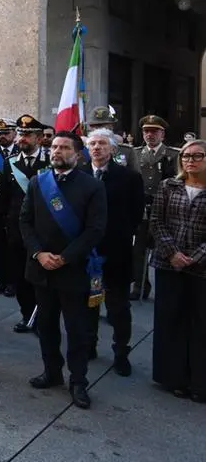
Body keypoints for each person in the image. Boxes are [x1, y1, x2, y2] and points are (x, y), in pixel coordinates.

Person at [20, 131, 106, 409]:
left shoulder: (91, 186)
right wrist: (38, 253)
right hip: (42, 268)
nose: (57, 151)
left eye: (64, 147)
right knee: (46, 325)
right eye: (54, 147)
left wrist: (66, 257)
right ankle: (52, 371)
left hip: (74, 270)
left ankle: (78, 380)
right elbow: (25, 221)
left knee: (77, 329)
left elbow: (95, 229)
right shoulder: (38, 182)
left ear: (77, 154)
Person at [149, 139, 206, 402]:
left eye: (197, 156)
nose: (190, 161)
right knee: (171, 321)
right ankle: (174, 378)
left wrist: (194, 257)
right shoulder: (168, 186)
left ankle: (199, 381)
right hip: (168, 264)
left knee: (199, 324)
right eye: (186, 156)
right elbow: (157, 221)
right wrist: (172, 253)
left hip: (201, 268)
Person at [85, 129, 144, 374]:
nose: (97, 148)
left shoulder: (128, 177)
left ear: (112, 149)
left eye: (102, 144)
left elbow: (135, 214)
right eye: (93, 144)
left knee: (118, 308)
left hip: (115, 253)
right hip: (86, 253)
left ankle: (121, 352)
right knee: (88, 303)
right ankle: (89, 345)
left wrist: (116, 236)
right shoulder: (79, 174)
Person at [5, 115, 50, 333]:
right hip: (16, 230)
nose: (23, 138)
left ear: (39, 138)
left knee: (40, 278)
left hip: (44, 231)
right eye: (21, 134)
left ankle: (43, 317)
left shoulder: (50, 162)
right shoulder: (11, 162)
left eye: (28, 134)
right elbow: (4, 198)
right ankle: (26, 315)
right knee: (20, 275)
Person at [131, 115, 177, 300]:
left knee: (165, 247)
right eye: (146, 131)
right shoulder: (134, 153)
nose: (150, 135)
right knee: (138, 249)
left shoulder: (173, 154)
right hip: (141, 207)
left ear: (162, 134)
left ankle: (168, 287)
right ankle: (140, 286)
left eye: (154, 131)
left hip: (165, 208)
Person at [0, 118, 19, 296]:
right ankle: (1, 280)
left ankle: (14, 282)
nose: (2, 136)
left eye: (6, 133)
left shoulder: (18, 153)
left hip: (13, 208)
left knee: (13, 247)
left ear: (14, 134)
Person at [87, 106, 138, 172]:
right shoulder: (82, 150)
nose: (100, 130)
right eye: (96, 126)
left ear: (111, 126)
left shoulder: (126, 151)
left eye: (103, 126)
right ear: (90, 128)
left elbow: (135, 177)